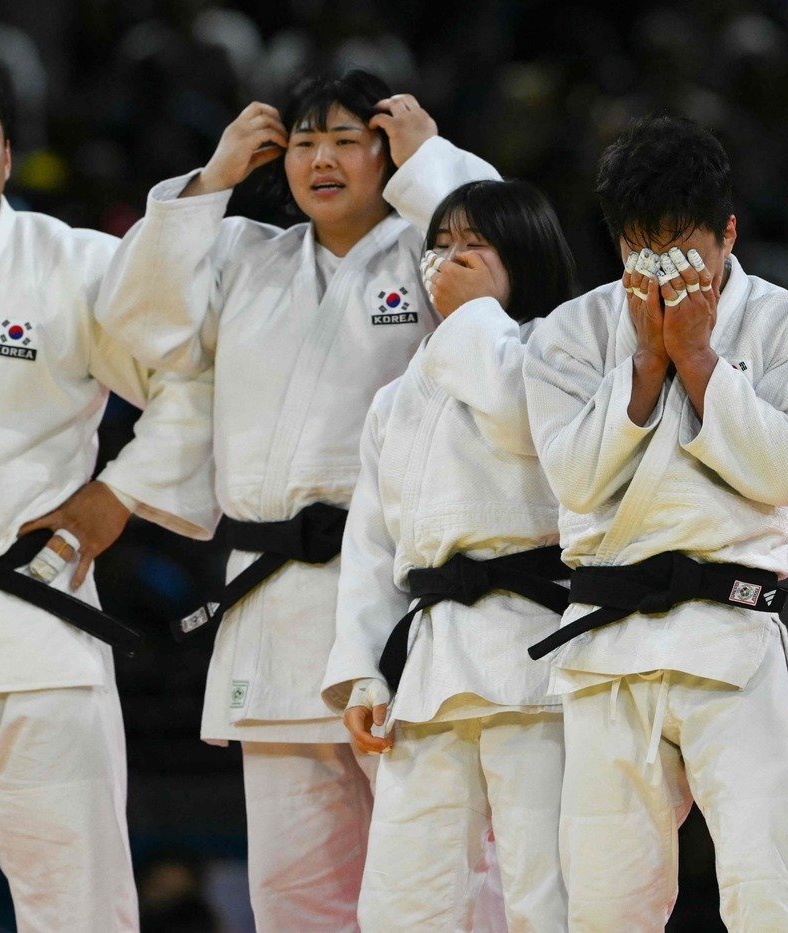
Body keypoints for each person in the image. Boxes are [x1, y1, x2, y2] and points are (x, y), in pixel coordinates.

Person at [95, 70, 498, 930]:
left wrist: (431, 165)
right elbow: (135, 326)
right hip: (272, 596)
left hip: (400, 593)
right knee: (292, 888)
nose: (322, 158)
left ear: (388, 154)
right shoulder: (246, 254)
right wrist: (210, 180)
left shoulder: (429, 255)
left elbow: (509, 263)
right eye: (307, 140)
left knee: (440, 868)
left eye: (347, 140)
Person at [0, 55, 216, 930]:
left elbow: (189, 378)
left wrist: (118, 495)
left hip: (34, 625)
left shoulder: (75, 263)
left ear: (9, 157)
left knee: (76, 906)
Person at [522, 115, 788, 930]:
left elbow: (783, 470)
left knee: (774, 892)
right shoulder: (568, 333)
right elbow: (576, 481)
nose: (657, 267)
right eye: (637, 246)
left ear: (729, 233)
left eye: (679, 245)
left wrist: (699, 360)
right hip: (605, 647)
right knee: (604, 905)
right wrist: (646, 365)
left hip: (731, 633)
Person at [322, 178, 577, 931]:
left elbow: (519, 422)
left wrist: (473, 318)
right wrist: (364, 670)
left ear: (522, 257)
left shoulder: (560, 351)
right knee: (402, 902)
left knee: (549, 893)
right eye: (439, 246)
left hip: (538, 656)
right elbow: (371, 548)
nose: (448, 261)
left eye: (474, 245)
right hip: (429, 669)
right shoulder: (396, 398)